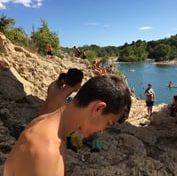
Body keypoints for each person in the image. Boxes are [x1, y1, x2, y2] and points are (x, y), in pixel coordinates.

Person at [3, 75, 132, 176]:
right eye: (108, 123)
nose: (102, 131)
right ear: (98, 108)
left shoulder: (45, 124)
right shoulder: (46, 150)